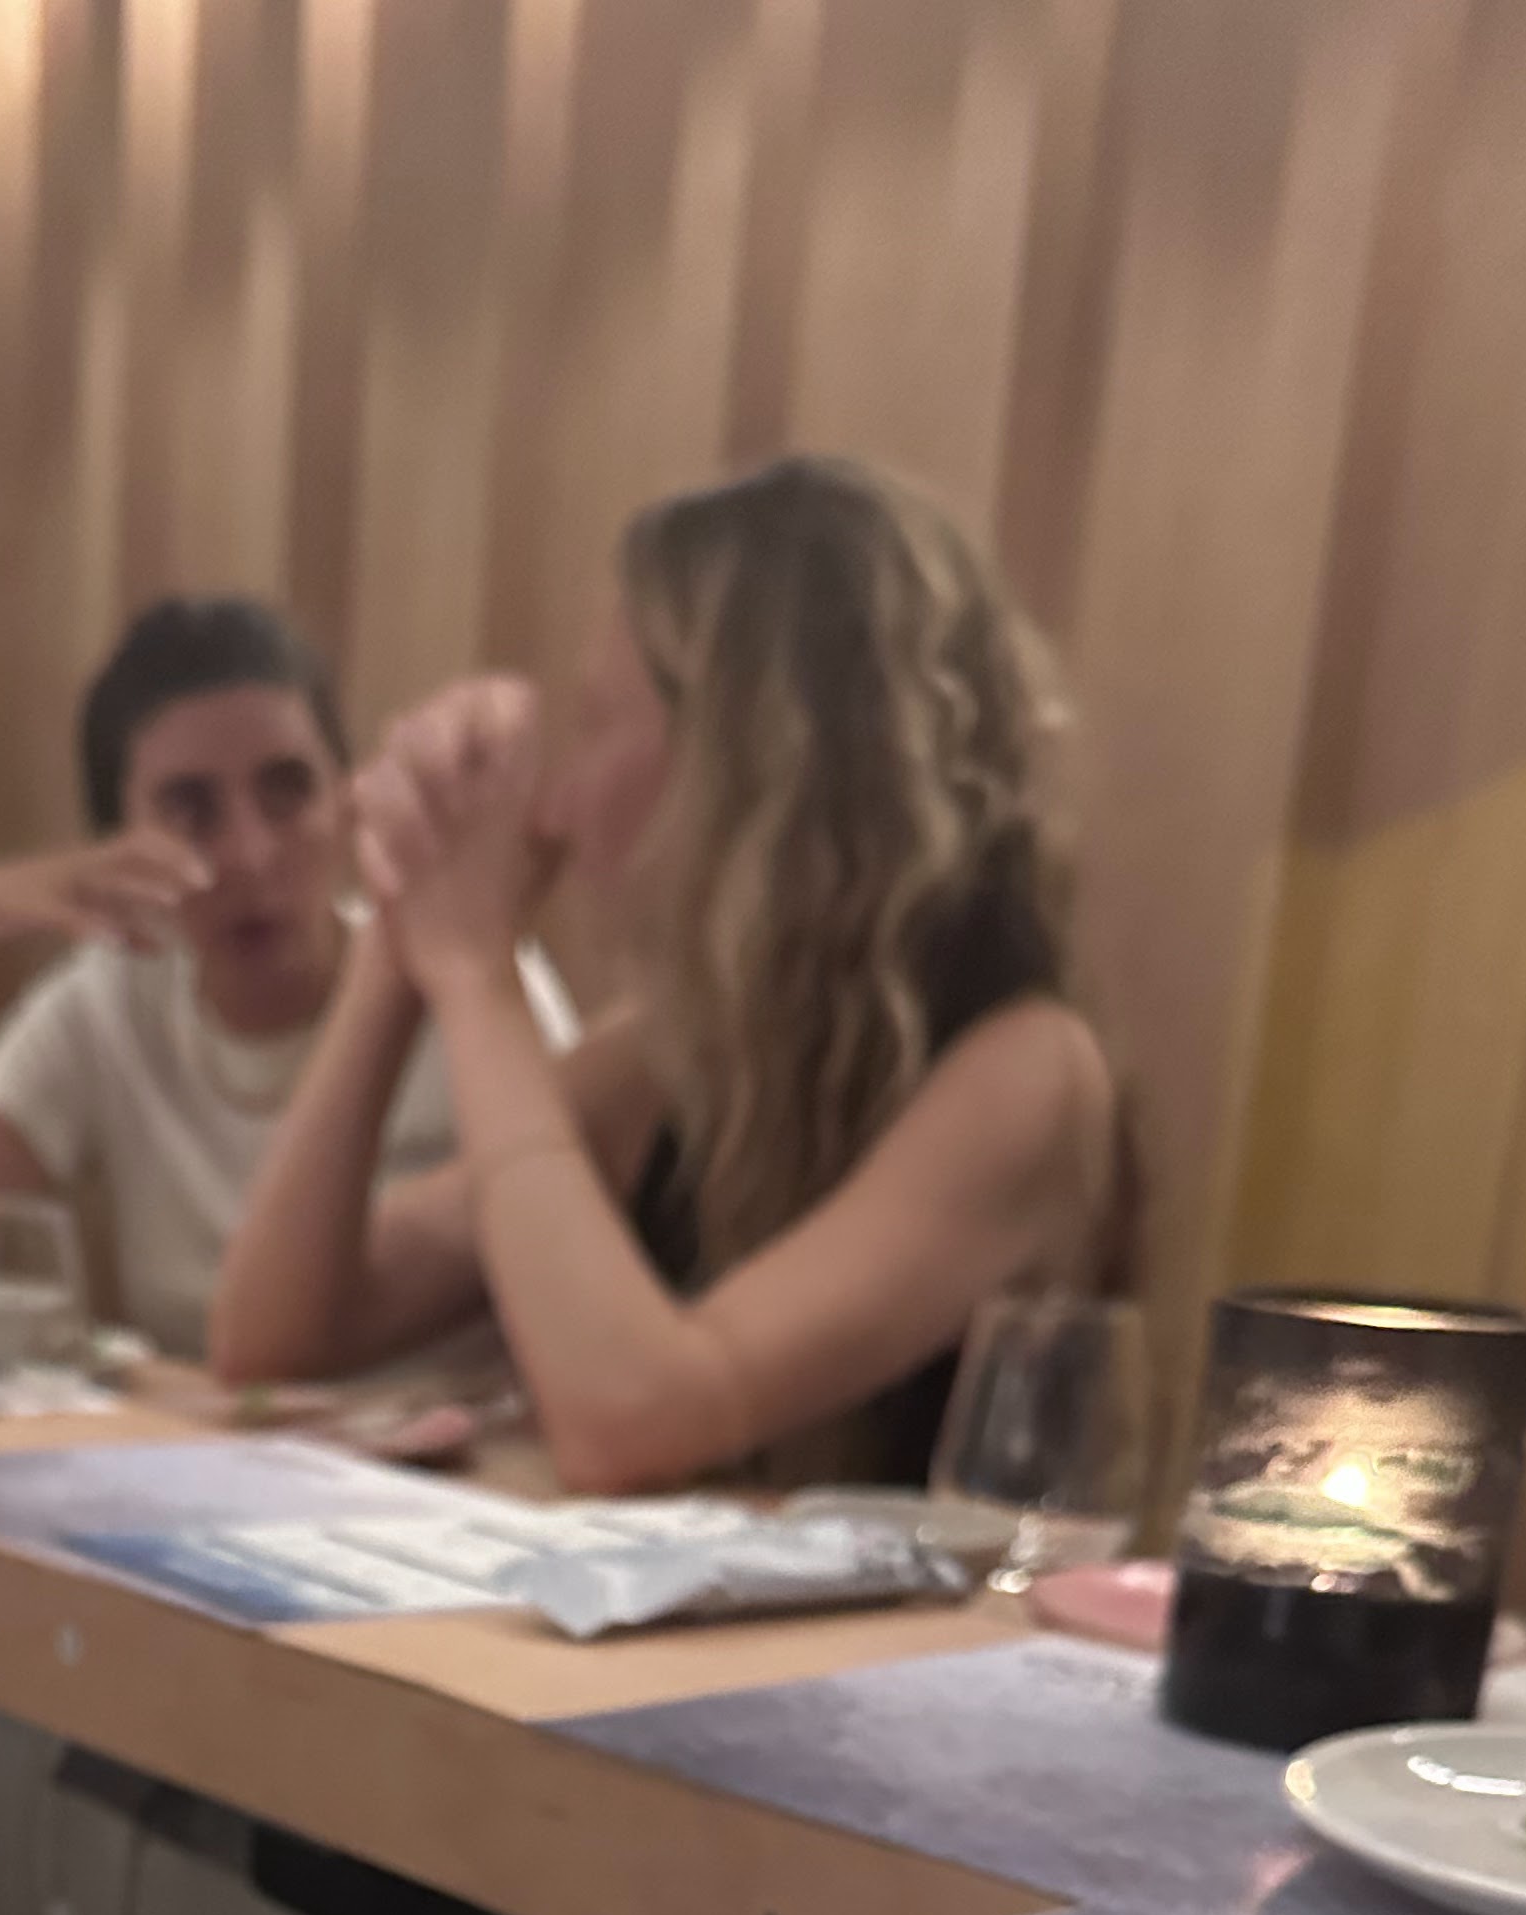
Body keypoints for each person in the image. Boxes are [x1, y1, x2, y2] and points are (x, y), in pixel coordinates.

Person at [208, 456, 1123, 1491]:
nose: (556, 806)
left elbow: (633, 1418)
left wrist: (474, 975)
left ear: (752, 765)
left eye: (598, 724)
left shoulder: (1028, 1073)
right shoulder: (673, 1056)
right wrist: (396, 940)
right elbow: (271, 1332)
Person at [0, 593, 576, 1356]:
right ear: (118, 844)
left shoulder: (471, 984)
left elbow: (569, 1274)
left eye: (288, 792)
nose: (250, 855)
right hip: (201, 1422)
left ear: (347, 802)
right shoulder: (110, 1002)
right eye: (191, 810)